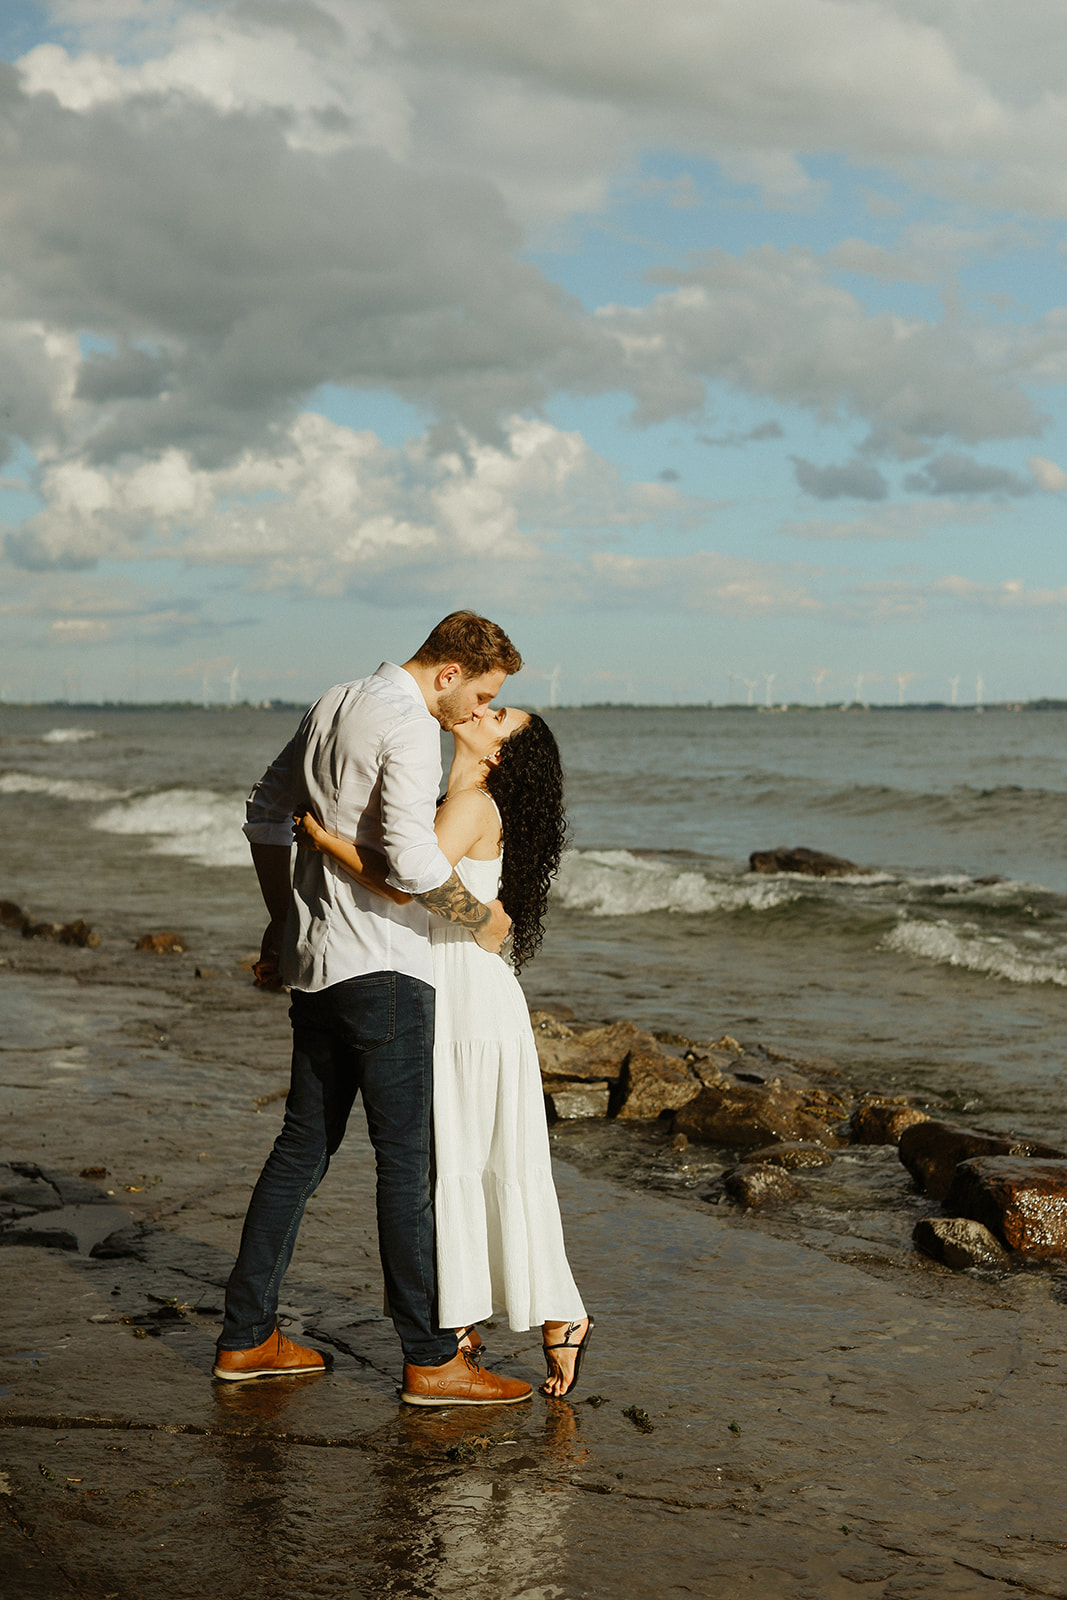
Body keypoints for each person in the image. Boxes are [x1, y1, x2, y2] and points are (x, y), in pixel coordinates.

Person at [213, 612, 534, 1408]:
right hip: (387, 970)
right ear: (450, 672)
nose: (473, 714)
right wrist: (483, 918)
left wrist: (282, 917)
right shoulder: (411, 723)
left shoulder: (333, 701)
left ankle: (246, 1338)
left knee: (300, 1153)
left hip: (318, 968)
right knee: (406, 1168)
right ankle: (431, 1360)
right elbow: (413, 860)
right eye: (481, 695)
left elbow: (262, 809)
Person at [295, 704, 593, 1399]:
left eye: (500, 716)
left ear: (503, 755)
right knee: (465, 1160)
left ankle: (552, 1314)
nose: (483, 710)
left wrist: (323, 839)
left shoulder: (468, 803)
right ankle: (504, 1320)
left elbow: (401, 884)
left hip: (467, 999)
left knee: (466, 1160)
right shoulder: (452, 800)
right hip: (460, 991)